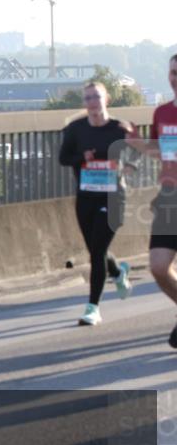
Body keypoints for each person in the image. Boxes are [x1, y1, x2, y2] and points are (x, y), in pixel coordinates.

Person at [58, 81, 135, 326]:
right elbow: (63, 158)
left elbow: (139, 152)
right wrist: (83, 157)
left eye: (97, 97)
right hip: (86, 197)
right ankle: (116, 272)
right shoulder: (75, 129)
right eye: (88, 98)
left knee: (98, 252)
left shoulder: (119, 128)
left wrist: (131, 160)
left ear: (106, 100)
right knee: (95, 250)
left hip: (113, 197)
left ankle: (93, 308)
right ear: (85, 103)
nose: (92, 102)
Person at [127, 54, 177, 349]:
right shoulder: (162, 114)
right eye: (172, 72)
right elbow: (162, 153)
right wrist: (138, 144)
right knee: (159, 267)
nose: (175, 77)